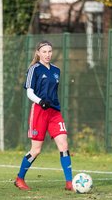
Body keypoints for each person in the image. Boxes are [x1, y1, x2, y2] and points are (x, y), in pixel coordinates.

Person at [14, 40, 73, 191]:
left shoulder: (56, 70)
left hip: (54, 112)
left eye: (50, 51)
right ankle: (20, 179)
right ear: (38, 53)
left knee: (64, 145)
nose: (48, 54)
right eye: (44, 51)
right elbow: (29, 91)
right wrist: (40, 101)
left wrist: (50, 103)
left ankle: (69, 183)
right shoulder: (34, 69)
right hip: (39, 112)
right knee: (36, 150)